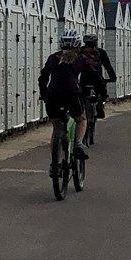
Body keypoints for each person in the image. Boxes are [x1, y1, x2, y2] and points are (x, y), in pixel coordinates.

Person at [39, 29, 89, 178]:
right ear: (78, 45)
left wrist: (44, 94)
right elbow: (90, 75)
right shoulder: (80, 59)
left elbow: (43, 77)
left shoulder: (53, 58)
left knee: (56, 128)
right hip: (72, 96)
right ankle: (78, 143)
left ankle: (55, 164)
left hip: (53, 97)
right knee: (81, 119)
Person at [80, 33, 116, 119]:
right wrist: (113, 77)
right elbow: (108, 66)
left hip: (83, 79)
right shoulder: (101, 52)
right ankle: (100, 105)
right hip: (97, 79)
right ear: (96, 43)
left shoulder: (80, 51)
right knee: (102, 92)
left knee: (80, 94)